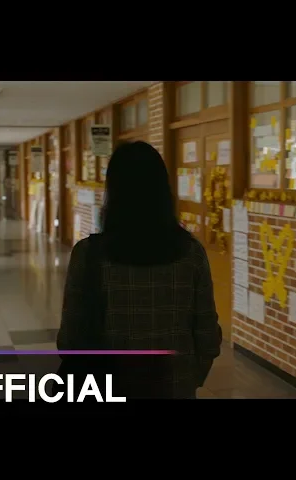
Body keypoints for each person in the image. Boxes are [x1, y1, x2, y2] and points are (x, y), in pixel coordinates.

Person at [57, 141, 221, 399]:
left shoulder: (88, 255)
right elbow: (207, 334)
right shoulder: (190, 253)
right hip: (174, 387)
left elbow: (69, 338)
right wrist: (187, 379)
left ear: (113, 192)